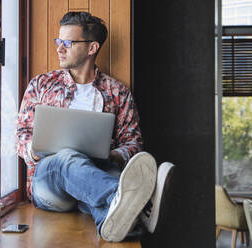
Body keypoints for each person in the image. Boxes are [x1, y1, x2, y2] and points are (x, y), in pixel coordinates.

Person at [16, 11, 174, 242]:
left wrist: (112, 155)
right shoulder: (41, 85)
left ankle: (123, 224)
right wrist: (33, 149)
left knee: (95, 181)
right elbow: (21, 133)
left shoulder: (118, 92)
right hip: (48, 182)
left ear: (92, 48)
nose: (59, 48)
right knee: (68, 157)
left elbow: (134, 142)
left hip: (91, 179)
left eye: (67, 43)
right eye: (58, 41)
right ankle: (140, 204)